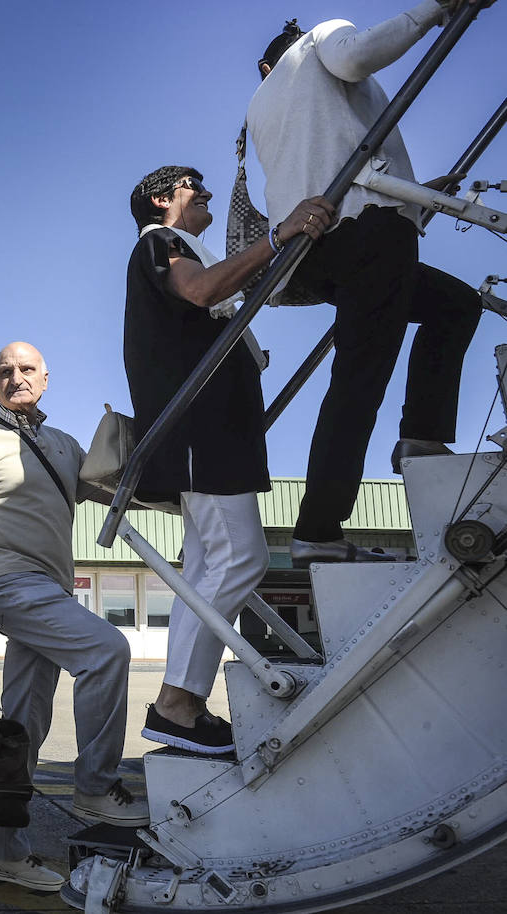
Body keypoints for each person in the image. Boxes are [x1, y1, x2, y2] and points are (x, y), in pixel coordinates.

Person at [248, 0, 484, 566]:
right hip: (371, 232)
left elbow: (323, 163)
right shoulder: (319, 40)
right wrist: (436, 9)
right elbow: (354, 59)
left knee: (452, 304)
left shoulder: (260, 105)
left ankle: (418, 437)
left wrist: (413, 190)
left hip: (317, 248)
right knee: (361, 379)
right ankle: (320, 525)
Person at [126, 167, 334, 753]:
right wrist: (281, 233)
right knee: (239, 556)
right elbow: (201, 290)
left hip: (214, 433)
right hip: (200, 433)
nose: (210, 191)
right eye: (195, 184)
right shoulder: (160, 241)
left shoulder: (184, 246)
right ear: (163, 199)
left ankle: (180, 705)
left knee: (209, 568)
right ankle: (176, 704)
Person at [0, 343, 150, 892]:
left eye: (26, 369)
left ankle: (1, 851)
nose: (15, 377)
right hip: (7, 582)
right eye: (5, 371)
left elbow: (110, 490)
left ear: (46, 379)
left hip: (50, 589)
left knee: (23, 727)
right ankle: (96, 785)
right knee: (107, 651)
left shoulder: (62, 443)